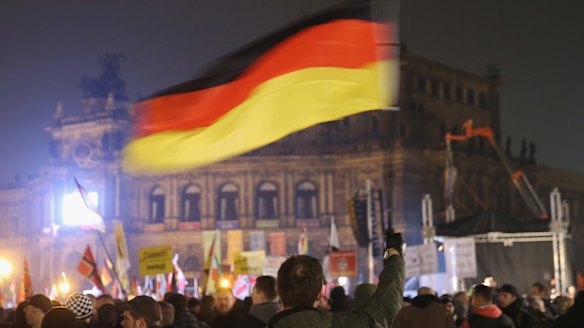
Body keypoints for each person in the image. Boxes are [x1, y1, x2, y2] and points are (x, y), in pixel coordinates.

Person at [267, 228, 404, 328]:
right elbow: (385, 306)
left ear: (277, 291)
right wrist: (394, 255)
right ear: (320, 295)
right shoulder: (344, 324)